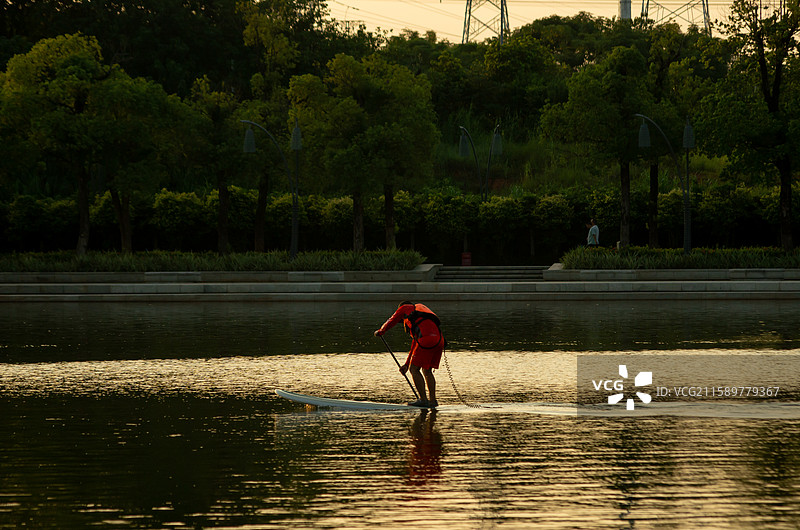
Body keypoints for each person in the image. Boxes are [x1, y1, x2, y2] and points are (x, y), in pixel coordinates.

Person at [374, 301, 445, 408]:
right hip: (439, 341)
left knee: (414, 370)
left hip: (426, 340)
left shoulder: (405, 307)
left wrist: (381, 331)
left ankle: (423, 400)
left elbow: (392, 320)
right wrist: (406, 365)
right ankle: (433, 401)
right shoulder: (419, 319)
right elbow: (415, 345)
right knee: (426, 370)